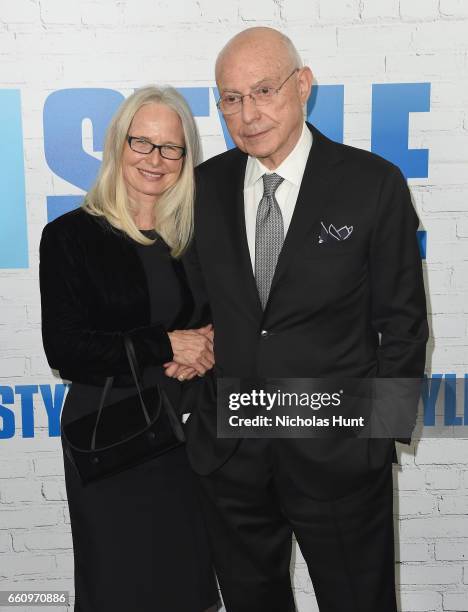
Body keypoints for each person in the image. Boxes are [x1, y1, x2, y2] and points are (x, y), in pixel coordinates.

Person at [173, 27, 428, 612]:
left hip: (338, 455)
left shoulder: (372, 184)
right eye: (231, 98)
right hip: (231, 457)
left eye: (263, 90)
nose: (248, 112)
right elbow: (192, 308)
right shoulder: (203, 187)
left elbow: (404, 323)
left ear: (303, 85)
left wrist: (377, 438)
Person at [39, 86, 219, 612]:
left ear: (186, 159)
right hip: (111, 439)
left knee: (187, 586)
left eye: (171, 148)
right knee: (118, 586)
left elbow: (234, 317)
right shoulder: (70, 237)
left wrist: (208, 344)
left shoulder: (198, 236)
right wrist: (165, 343)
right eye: (143, 143)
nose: (155, 160)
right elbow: (66, 349)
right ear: (118, 145)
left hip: (190, 437)